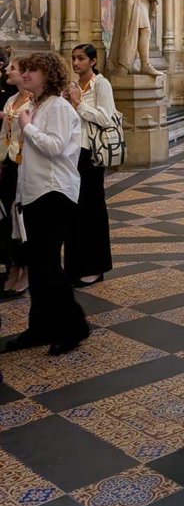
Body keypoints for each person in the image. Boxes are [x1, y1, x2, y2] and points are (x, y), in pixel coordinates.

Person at [1, 53, 89, 355]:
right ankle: (39, 328)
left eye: (31, 70)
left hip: (55, 194)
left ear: (48, 74)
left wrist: (28, 128)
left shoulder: (59, 107)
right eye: (23, 70)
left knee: (48, 266)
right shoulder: (37, 106)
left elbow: (56, 148)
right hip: (35, 194)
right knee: (38, 268)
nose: (24, 75)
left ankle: (73, 327)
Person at [63, 44, 116, 288]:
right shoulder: (72, 86)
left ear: (93, 61)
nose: (75, 63)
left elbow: (106, 117)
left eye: (81, 58)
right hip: (72, 153)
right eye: (73, 58)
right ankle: (74, 265)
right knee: (73, 211)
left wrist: (78, 104)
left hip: (92, 154)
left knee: (92, 209)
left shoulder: (101, 84)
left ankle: (95, 267)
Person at [0, 56, 30, 298]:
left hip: (26, 165)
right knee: (8, 218)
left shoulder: (34, 102)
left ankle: (27, 269)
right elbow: (4, 134)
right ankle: (13, 265)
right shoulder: (12, 99)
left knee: (23, 219)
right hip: (8, 163)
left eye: (13, 68)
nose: (7, 70)